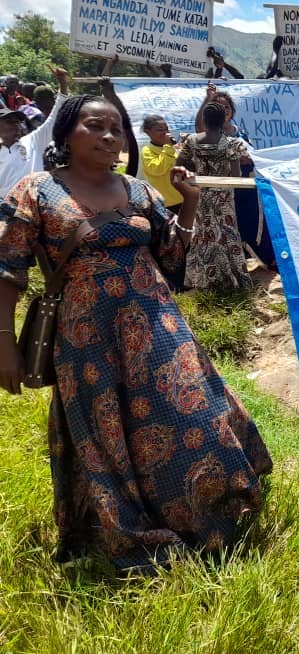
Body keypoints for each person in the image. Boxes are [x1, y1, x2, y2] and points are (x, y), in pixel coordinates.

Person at [0, 94, 272, 571]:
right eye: (95, 126)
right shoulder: (35, 191)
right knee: (106, 436)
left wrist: (189, 204)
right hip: (88, 339)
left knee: (197, 413)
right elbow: (7, 272)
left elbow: (171, 259)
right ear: (65, 133)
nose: (109, 136)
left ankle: (212, 516)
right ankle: (127, 531)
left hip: (159, 328)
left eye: (117, 129)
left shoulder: (139, 190)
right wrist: (4, 343)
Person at [176, 102, 255, 290]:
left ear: (204, 119)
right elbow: (236, 176)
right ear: (223, 120)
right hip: (224, 197)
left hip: (200, 195)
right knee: (227, 235)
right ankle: (233, 279)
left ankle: (204, 280)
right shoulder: (232, 144)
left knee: (203, 235)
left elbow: (181, 164)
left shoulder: (191, 141)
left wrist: (199, 175)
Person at [0, 68, 68, 198]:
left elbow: (55, 117)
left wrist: (63, 85)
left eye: (18, 121)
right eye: (10, 121)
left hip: (36, 205)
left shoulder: (33, 140)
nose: (17, 125)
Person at [140, 115, 183, 211]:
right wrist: (168, 147)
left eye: (166, 129)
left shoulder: (174, 148)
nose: (165, 133)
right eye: (160, 130)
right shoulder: (147, 151)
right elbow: (157, 169)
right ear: (148, 132)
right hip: (166, 203)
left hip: (182, 198)